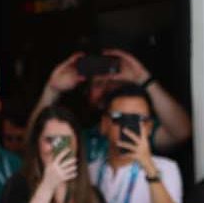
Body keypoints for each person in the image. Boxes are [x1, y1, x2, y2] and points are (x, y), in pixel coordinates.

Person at [34, 48, 193, 156]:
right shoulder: (78, 137)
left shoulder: (138, 129)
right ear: (87, 94)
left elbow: (181, 132)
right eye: (98, 84)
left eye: (113, 83)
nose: (107, 89)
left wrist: (144, 79)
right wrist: (52, 90)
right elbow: (34, 143)